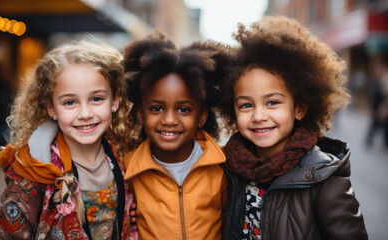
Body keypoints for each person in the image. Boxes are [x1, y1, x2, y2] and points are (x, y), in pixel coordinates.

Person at [219, 16, 368, 240]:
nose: (259, 116)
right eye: (246, 105)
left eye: (273, 102)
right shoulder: (227, 168)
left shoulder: (323, 177)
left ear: (299, 108)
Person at [0, 41, 138, 239]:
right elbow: (9, 231)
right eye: (70, 102)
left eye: (97, 99)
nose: (85, 113)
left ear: (115, 100)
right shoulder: (34, 169)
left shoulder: (123, 155)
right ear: (51, 108)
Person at [122, 32, 229, 239]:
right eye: (156, 108)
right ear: (140, 115)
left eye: (183, 110)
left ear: (201, 116)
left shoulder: (224, 167)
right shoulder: (128, 170)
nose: (169, 120)